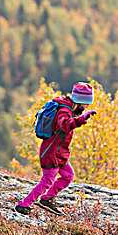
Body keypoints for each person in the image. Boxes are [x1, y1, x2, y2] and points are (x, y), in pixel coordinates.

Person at [15, 82, 97, 215]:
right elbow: (64, 125)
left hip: (60, 152)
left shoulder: (69, 108)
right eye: (86, 103)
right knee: (47, 180)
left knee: (68, 175)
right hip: (51, 152)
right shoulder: (64, 110)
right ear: (80, 101)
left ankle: (47, 198)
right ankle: (24, 204)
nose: (87, 106)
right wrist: (81, 119)